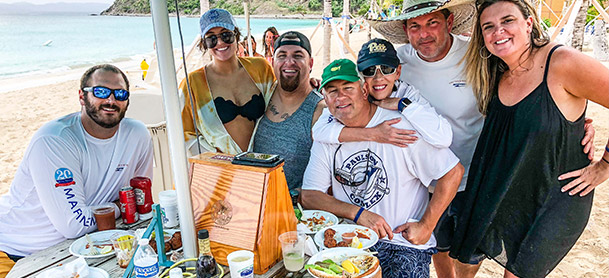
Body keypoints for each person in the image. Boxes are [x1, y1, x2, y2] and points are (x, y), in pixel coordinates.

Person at [369, 0, 597, 276]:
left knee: (471, 250)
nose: (424, 33)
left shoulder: (479, 55)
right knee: (439, 245)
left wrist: (577, 129)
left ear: (450, 23)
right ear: (405, 30)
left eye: (433, 23)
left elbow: (542, 89)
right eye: (415, 26)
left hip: (480, 174)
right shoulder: (397, 63)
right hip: (426, 178)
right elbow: (356, 91)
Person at [449, 0, 609, 277]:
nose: (498, 31)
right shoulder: (496, 71)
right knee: (463, 262)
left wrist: (604, 166)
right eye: (489, 26)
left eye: (507, 21)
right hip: (504, 186)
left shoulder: (563, 63)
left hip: (556, 196)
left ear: (529, 23)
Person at [301, 59, 464, 277]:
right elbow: (310, 195)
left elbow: (453, 172)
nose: (340, 97)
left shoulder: (398, 127)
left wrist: (426, 225)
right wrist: (358, 214)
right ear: (325, 99)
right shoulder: (328, 133)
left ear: (364, 90)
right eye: (332, 91)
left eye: (348, 88)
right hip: (348, 241)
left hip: (401, 244)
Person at [0, 64, 154, 277]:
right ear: (82, 96)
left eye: (120, 93)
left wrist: (125, 205)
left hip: (86, 248)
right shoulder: (54, 140)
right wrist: (121, 205)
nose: (111, 100)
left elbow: (141, 199)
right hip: (16, 252)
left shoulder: (137, 134)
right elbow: (73, 225)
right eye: (100, 92)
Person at [312, 38, 453, 149]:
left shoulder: (408, 95)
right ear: (360, 76)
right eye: (369, 71)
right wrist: (374, 134)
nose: (378, 77)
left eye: (386, 69)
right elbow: (319, 131)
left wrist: (402, 104)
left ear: (398, 72)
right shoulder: (353, 98)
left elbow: (443, 138)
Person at [180, 9, 275, 155]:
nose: (220, 43)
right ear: (205, 44)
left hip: (263, 161)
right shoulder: (192, 83)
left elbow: (281, 100)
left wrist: (307, 86)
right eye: (211, 38)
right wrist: (218, 160)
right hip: (220, 171)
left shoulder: (260, 68)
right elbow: (185, 133)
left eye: (226, 35)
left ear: (236, 35)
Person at [253, 31, 324, 191]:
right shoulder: (261, 96)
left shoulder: (319, 110)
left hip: (293, 209)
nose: (289, 62)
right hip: (251, 200)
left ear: (311, 63)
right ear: (272, 61)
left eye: (298, 56)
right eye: (282, 55)